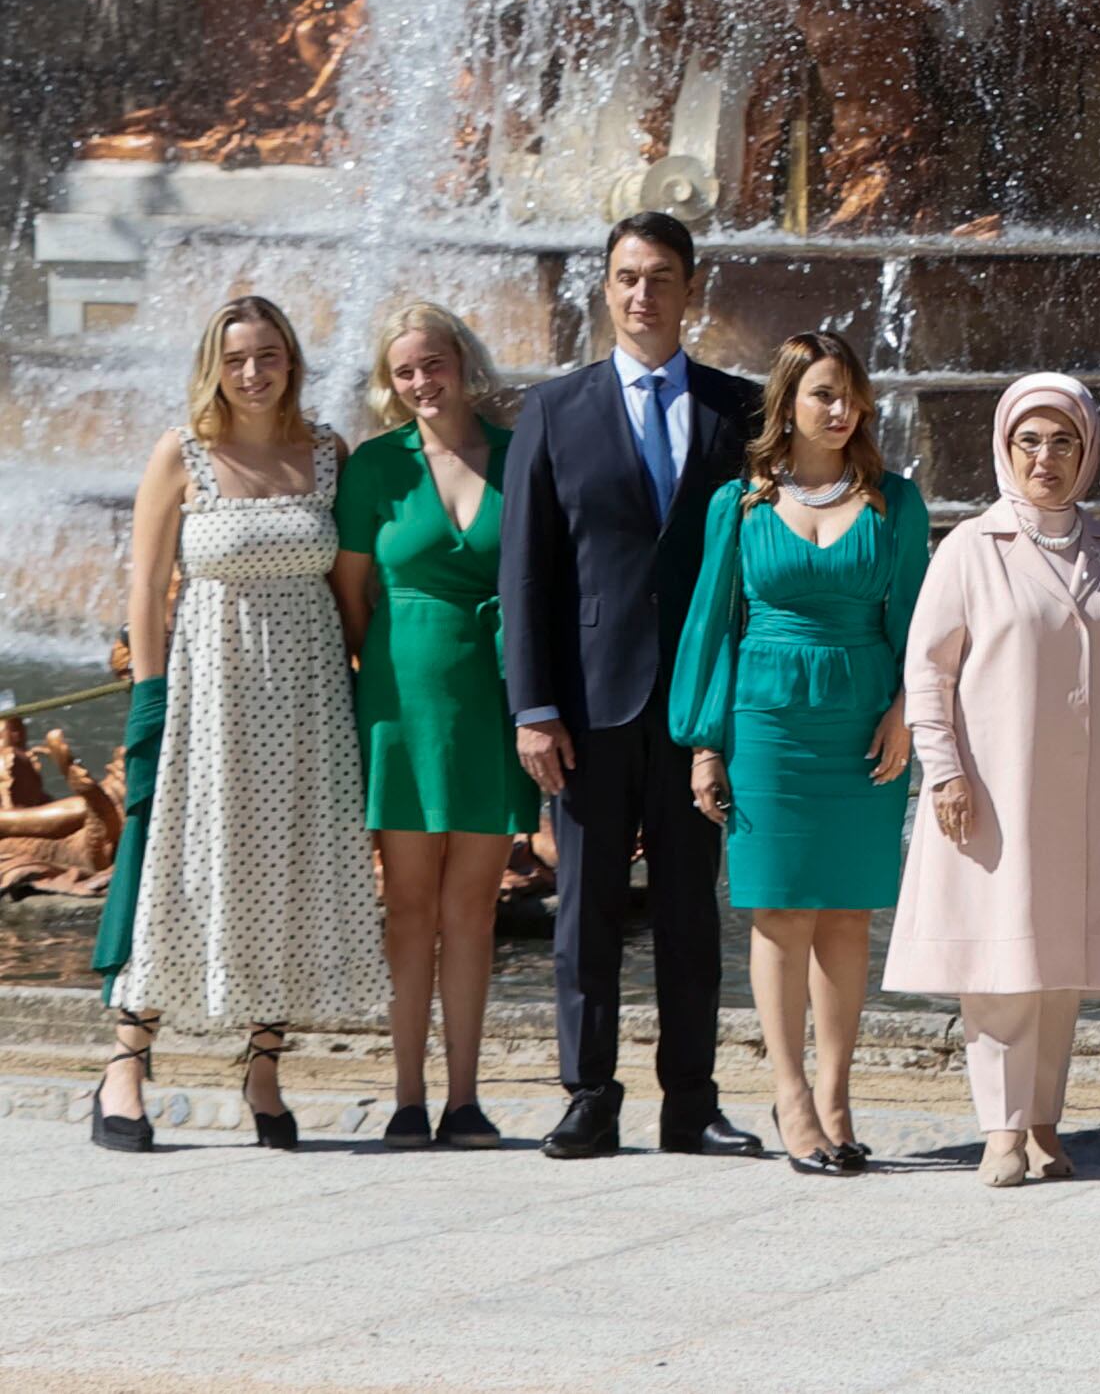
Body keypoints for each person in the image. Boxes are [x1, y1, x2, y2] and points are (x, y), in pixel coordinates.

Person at [88, 295, 384, 1153]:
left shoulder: (329, 452)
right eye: (238, 357)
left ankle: (263, 1066)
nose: (253, 373)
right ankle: (126, 1061)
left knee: (286, 862)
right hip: (208, 694)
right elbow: (145, 589)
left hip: (308, 697)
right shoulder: (182, 453)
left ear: (292, 360)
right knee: (183, 863)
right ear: (214, 366)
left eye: (269, 355)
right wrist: (148, 698)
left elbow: (349, 588)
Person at [500, 212, 765, 1160]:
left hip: (698, 704)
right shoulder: (553, 409)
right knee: (588, 908)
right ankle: (589, 1094)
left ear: (692, 288)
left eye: (660, 276)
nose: (642, 293)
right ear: (604, 290)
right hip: (587, 700)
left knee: (694, 906)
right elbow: (525, 570)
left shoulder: (743, 410)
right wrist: (532, 706)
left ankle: (691, 1099)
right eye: (625, 277)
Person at [670, 331, 931, 1176]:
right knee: (780, 911)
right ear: (787, 403)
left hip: (861, 720)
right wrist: (706, 744)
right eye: (823, 392)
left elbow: (921, 624)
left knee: (848, 914)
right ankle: (788, 1094)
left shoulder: (897, 500)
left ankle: (837, 1093)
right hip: (768, 722)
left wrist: (905, 714)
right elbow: (711, 626)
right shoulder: (738, 505)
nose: (841, 407)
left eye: (851, 392)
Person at [888, 375, 1100, 1189]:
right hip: (994, 787)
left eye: (1063, 440)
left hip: (1086, 793)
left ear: (1088, 450)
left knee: (1060, 963)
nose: (1046, 457)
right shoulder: (971, 546)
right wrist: (944, 770)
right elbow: (927, 670)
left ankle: (1043, 1121)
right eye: (1029, 440)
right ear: (1005, 449)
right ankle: (1000, 1131)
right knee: (1000, 966)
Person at [341, 301, 539, 1149]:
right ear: (391, 383)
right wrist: (389, 663)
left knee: (474, 910)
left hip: (489, 698)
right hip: (399, 703)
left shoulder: (516, 454)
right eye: (405, 371)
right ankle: (406, 1097)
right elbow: (350, 597)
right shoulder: (376, 466)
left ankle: (464, 1097)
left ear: (463, 360)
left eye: (434, 363)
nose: (423, 382)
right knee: (407, 910)